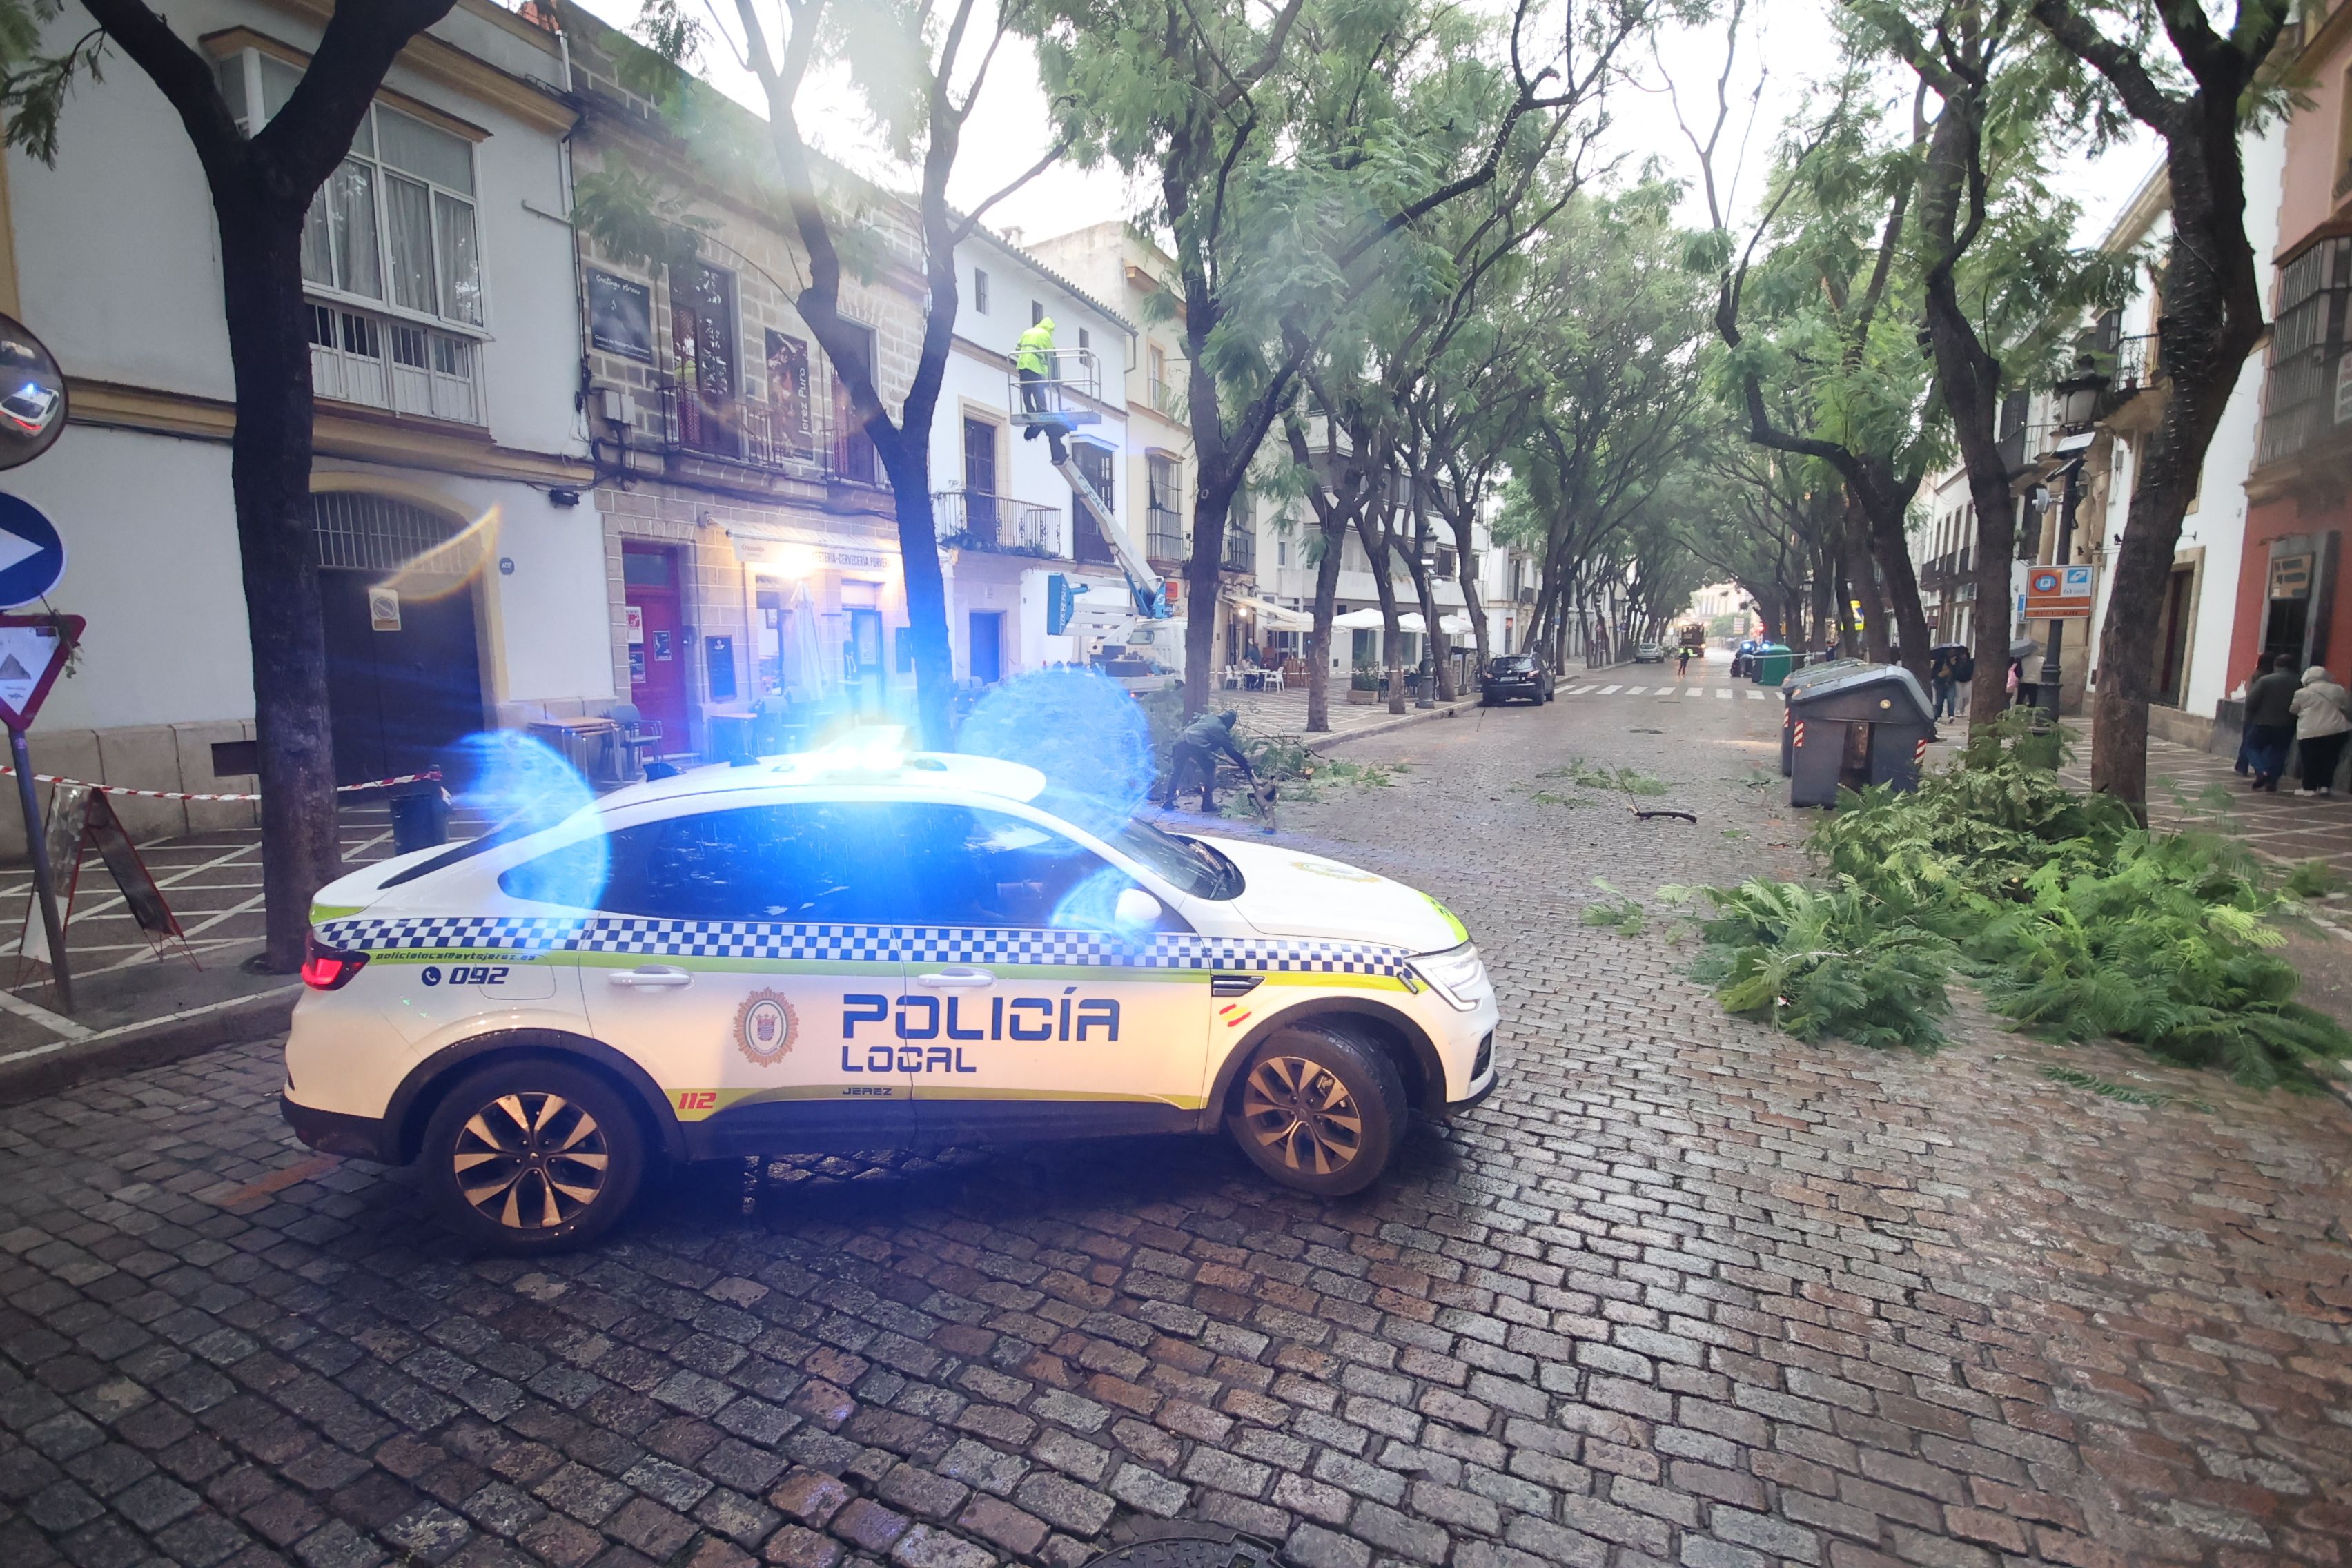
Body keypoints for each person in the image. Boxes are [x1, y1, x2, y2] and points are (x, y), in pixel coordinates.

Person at [1162, 709, 1255, 812]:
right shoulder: (1222, 729)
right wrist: (1246, 767)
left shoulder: (1208, 717)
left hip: (1181, 741)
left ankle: (1168, 800)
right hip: (1197, 745)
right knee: (1210, 768)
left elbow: (1191, 727)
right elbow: (1231, 752)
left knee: (1177, 772)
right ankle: (1207, 803)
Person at [2289, 665, 2351, 798]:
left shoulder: (2302, 693)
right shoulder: (2339, 690)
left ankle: (2309, 787)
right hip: (2337, 730)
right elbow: (2346, 706)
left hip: (2310, 731)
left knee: (2310, 760)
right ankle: (2325, 786)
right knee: (2330, 759)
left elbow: (2293, 709)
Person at [2244, 656, 2302, 792]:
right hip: (2287, 724)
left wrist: (2249, 718)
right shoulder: (2299, 683)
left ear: (2277, 666)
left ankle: (2262, 770)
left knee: (2252, 746)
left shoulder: (2266, 681)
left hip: (2263, 722)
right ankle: (2272, 781)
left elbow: (2251, 701)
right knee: (2279, 752)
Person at [2233, 653, 2277, 775]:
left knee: (2248, 741)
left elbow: (2251, 697)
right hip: (2265, 716)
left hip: (2252, 714)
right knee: (2261, 744)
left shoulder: (2256, 676)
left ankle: (2243, 766)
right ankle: (2261, 768)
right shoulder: (2271, 678)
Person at [1929, 649, 1957, 721]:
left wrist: (1953, 664)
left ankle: (1951, 715)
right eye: (1950, 652)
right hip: (1940, 683)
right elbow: (1934, 673)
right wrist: (1940, 674)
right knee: (1939, 700)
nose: (1952, 653)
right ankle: (1938, 715)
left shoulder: (1956, 661)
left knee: (1951, 699)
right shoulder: (1939, 662)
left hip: (1950, 682)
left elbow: (1957, 672)